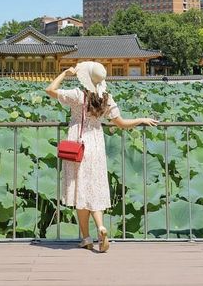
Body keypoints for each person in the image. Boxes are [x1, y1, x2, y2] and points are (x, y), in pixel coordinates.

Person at [45, 61, 158, 253]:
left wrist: (65, 73)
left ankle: (86, 238)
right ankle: (101, 228)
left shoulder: (77, 95)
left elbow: (50, 89)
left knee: (80, 191)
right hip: (96, 145)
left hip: (78, 144)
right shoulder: (107, 99)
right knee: (94, 189)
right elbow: (121, 123)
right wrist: (141, 119)